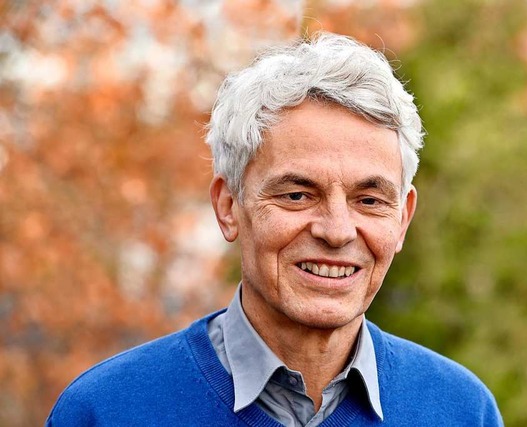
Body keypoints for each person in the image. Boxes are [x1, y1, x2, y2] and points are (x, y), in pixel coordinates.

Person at [47, 32, 503, 426]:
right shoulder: (106, 413)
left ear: (402, 218)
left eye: (369, 200)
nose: (338, 230)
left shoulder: (462, 412)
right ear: (229, 207)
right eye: (297, 195)